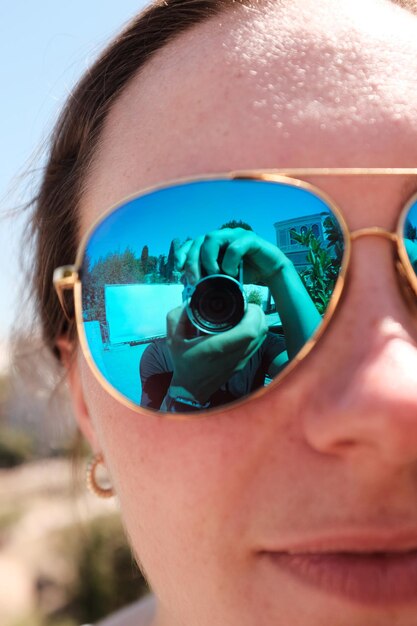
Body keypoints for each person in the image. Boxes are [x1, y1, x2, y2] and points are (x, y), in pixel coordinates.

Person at [26, 1, 417, 625]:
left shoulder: (276, 328)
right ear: (82, 401)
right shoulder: (160, 354)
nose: (396, 400)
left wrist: (284, 278)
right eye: (207, 212)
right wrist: (188, 384)